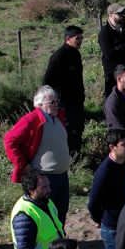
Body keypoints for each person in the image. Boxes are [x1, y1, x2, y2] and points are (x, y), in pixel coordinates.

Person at [4, 86, 72, 219]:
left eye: (57, 101)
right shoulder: (32, 119)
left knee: (61, 212)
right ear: (39, 104)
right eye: (52, 102)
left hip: (62, 176)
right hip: (44, 178)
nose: (56, 105)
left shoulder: (58, 118)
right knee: (46, 215)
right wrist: (24, 166)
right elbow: (9, 141)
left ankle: (59, 239)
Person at [42, 25, 88, 157]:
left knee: (78, 129)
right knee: (67, 131)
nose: (80, 41)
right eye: (77, 38)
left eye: (81, 38)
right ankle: (67, 158)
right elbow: (47, 81)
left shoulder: (76, 54)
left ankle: (77, 157)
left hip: (77, 100)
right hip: (64, 102)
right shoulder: (59, 56)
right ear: (68, 39)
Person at [98, 4, 125, 99]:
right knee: (114, 102)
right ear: (110, 15)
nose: (123, 16)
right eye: (119, 13)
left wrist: (121, 47)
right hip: (113, 75)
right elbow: (109, 54)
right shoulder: (104, 33)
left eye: (123, 13)